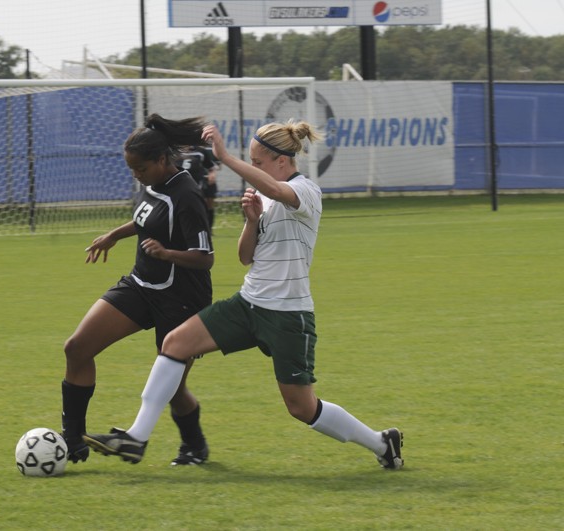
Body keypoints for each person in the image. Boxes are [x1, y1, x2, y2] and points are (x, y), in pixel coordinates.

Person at [83, 119, 404, 470]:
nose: (253, 170)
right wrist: (251, 221)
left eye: (257, 163)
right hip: (248, 303)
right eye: (250, 162)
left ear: (282, 161)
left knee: (302, 407)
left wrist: (224, 155)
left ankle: (381, 442)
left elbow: (282, 193)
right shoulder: (265, 194)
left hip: (287, 314)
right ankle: (136, 437)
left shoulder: (307, 191)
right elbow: (244, 257)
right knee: (174, 344)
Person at [61, 113, 215, 466]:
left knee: (172, 388)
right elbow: (148, 216)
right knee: (77, 347)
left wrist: (167, 253)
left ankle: (194, 446)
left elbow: (205, 258)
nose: (136, 175)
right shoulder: (151, 182)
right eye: (131, 169)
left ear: (162, 160)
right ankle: (72, 439)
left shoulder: (188, 195)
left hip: (181, 300)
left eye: (140, 168)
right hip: (141, 285)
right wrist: (115, 234)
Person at [176, 146, 219, 232]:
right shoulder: (173, 151)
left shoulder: (201, 151)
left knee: (199, 210)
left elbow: (211, 166)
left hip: (196, 189)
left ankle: (207, 230)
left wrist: (212, 174)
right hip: (177, 189)